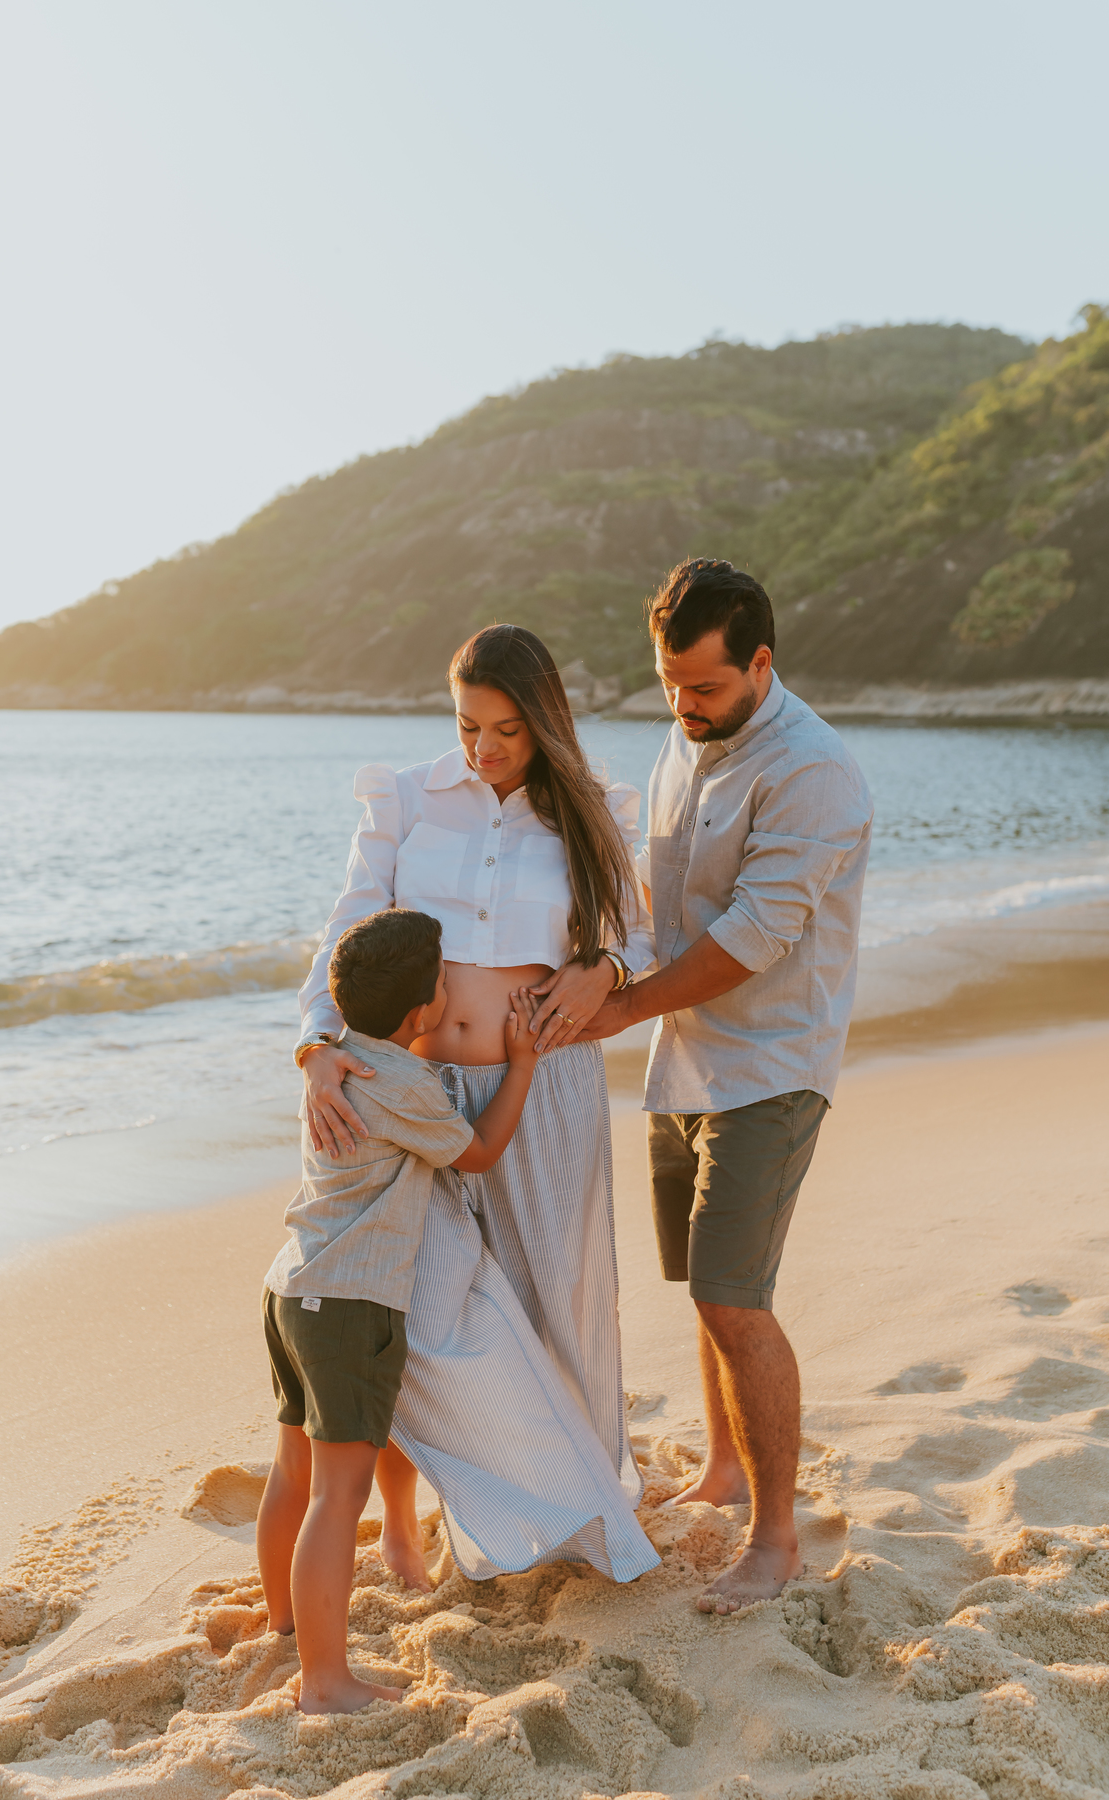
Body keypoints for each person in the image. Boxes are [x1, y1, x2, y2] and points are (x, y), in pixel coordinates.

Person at [294, 625, 659, 1588]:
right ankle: (407, 1530)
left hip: (542, 1088)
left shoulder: (592, 812)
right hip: (413, 1097)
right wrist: (317, 1049)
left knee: (556, 1300)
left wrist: (603, 968)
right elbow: (350, 925)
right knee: (413, 1315)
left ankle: (577, 1516)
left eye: (505, 729)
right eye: (466, 725)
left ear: (544, 721)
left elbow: (641, 933)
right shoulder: (408, 797)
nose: (482, 748)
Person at [575, 559, 873, 1615]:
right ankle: (725, 1469)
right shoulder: (683, 740)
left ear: (761, 662)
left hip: (772, 1065)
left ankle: (776, 1539)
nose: (682, 706)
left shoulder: (814, 772)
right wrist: (612, 971)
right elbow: (656, 893)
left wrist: (626, 1004)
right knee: (704, 1290)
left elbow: (753, 935)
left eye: (703, 687)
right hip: (685, 1059)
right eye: (668, 684)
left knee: (733, 1298)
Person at [256, 907, 542, 1713]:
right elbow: (478, 1153)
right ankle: (323, 1679)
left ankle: (285, 1627)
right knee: (337, 1498)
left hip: (290, 1289)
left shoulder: (336, 1064)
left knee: (292, 1472)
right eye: (444, 983)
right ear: (424, 1010)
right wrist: (519, 1065)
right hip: (351, 1306)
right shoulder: (409, 1086)